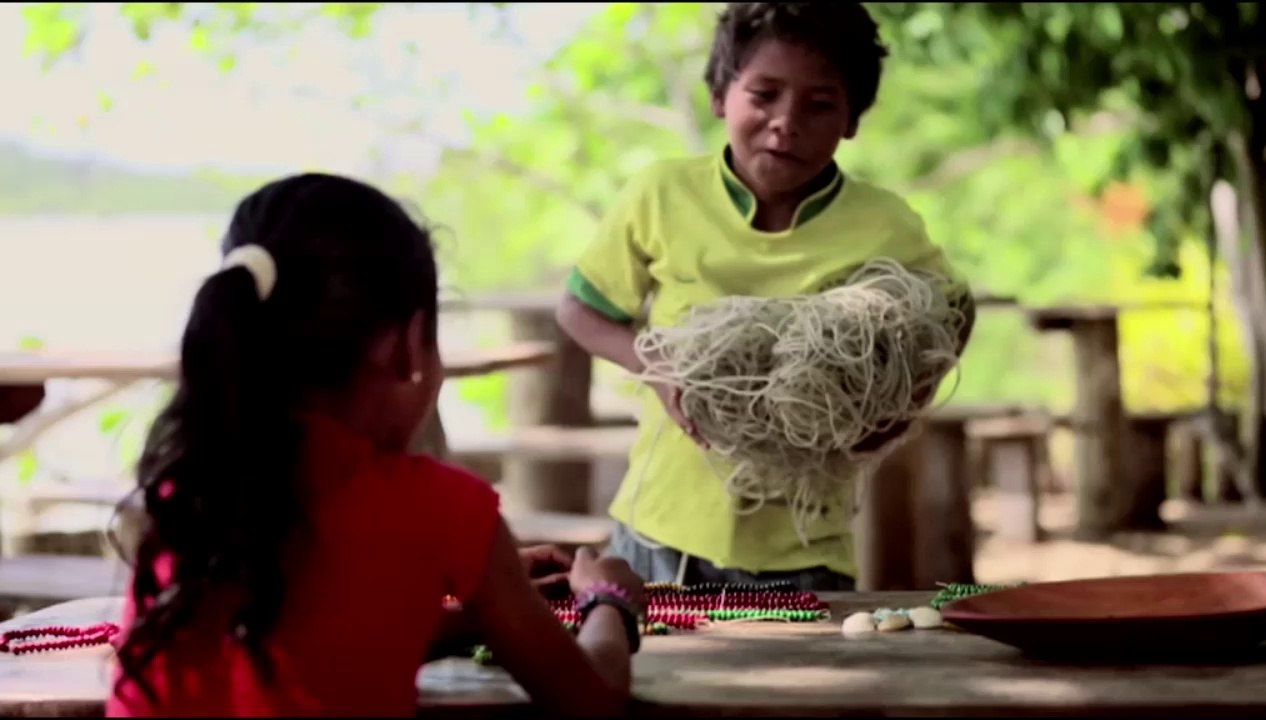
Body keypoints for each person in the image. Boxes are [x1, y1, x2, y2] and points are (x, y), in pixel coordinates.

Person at [106, 173, 646, 718]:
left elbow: (314, 632)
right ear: (408, 347)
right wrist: (610, 602)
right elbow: (592, 701)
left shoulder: (187, 493)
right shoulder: (437, 505)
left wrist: (485, 607)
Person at [556, 2, 975, 592]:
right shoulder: (662, 193)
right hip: (659, 531)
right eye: (764, 95)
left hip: (805, 548)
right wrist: (657, 368)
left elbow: (954, 313)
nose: (787, 121)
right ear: (720, 96)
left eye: (820, 104)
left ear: (852, 118)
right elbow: (580, 310)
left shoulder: (884, 224)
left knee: (792, 687)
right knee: (654, 680)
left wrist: (895, 414)